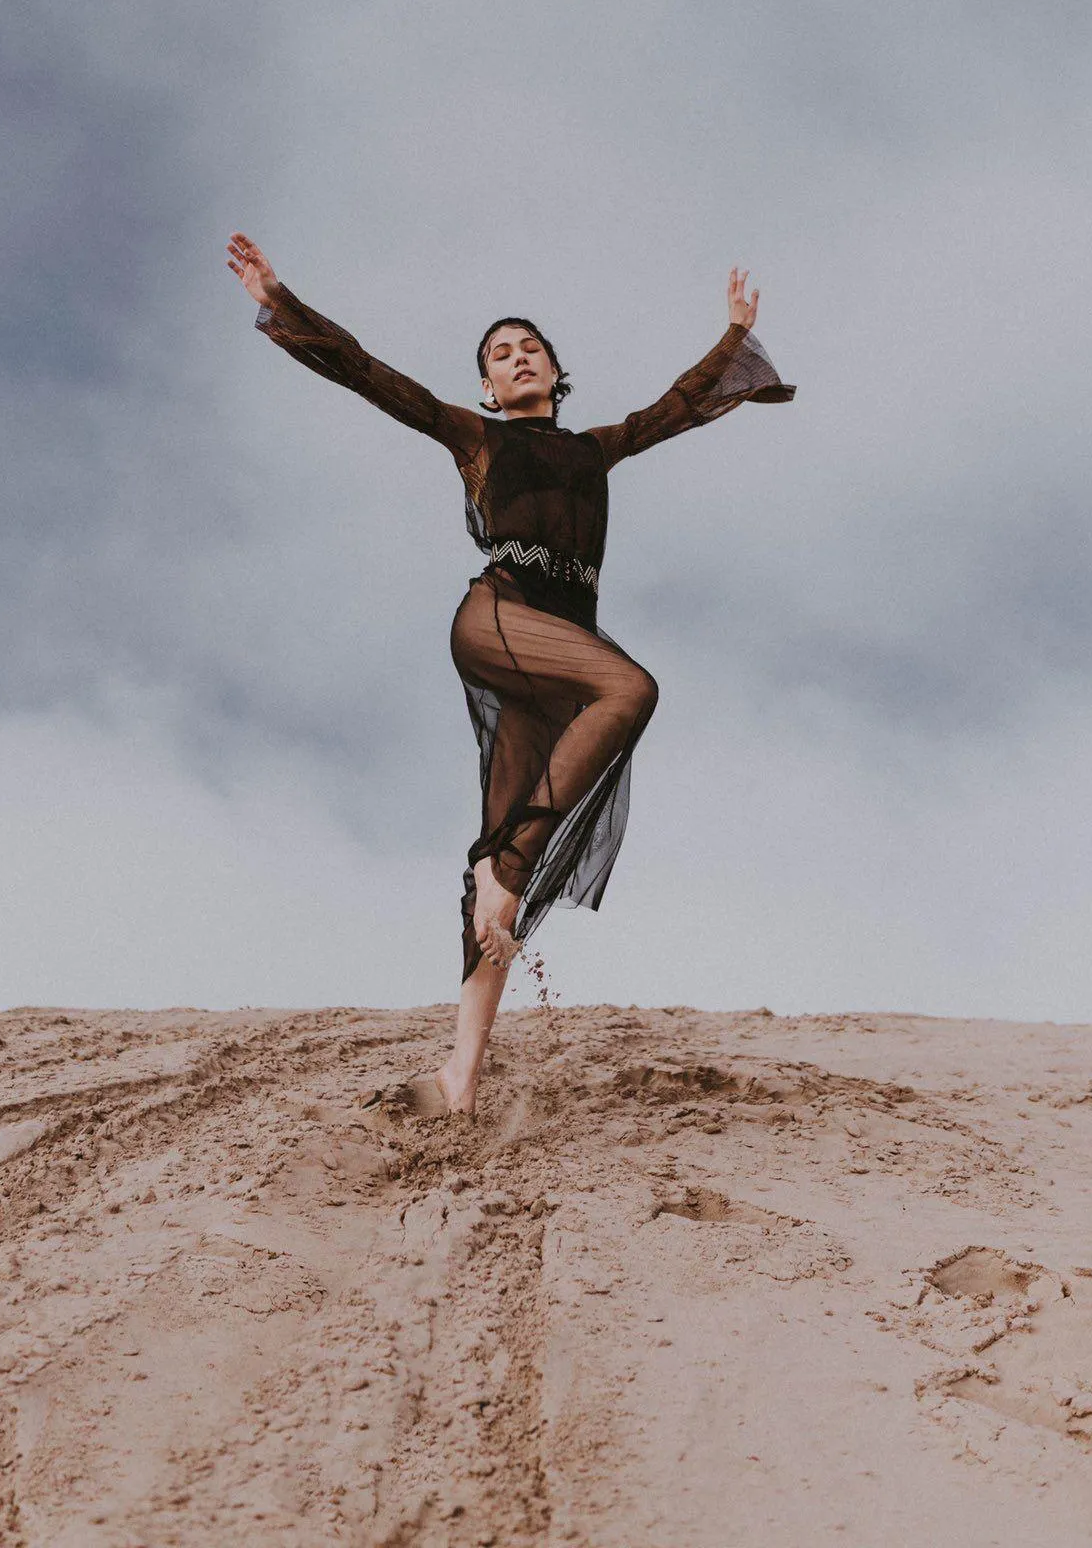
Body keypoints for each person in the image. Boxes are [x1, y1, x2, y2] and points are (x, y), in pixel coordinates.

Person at [227, 233, 794, 1114]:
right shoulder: (475, 435)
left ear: (556, 372)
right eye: (501, 354)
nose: (517, 357)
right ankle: (507, 869)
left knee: (502, 856)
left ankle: (460, 1073)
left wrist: (730, 336)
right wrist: (281, 299)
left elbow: (679, 407)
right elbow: (372, 374)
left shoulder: (595, 449)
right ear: (489, 387)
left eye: (531, 348)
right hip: (497, 621)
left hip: (558, 658)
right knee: (630, 690)